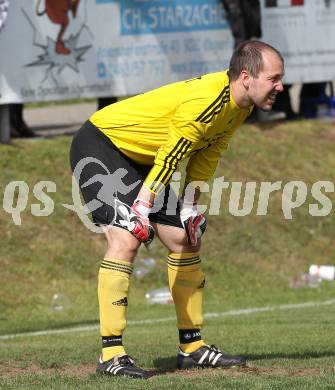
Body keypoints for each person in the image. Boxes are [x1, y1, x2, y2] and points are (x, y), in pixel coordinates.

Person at [70, 40, 284, 379]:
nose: (280, 86)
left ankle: (192, 348)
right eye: (274, 78)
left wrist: (190, 206)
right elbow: (171, 154)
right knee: (127, 237)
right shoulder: (207, 102)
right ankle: (111, 354)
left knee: (185, 237)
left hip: (142, 159)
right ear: (246, 77)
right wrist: (142, 205)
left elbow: (208, 153)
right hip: (102, 145)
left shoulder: (239, 106)